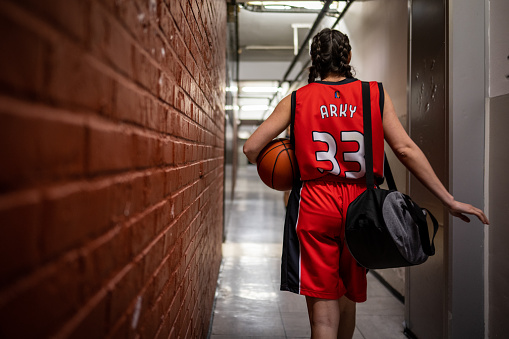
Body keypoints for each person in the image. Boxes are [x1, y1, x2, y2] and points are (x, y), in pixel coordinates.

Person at [243, 28, 489, 339]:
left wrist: (292, 160)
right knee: (348, 294)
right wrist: (448, 199)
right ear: (347, 58)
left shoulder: (297, 100)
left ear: (314, 60)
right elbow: (404, 149)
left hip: (315, 203)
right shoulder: (373, 94)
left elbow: (251, 148)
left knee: (323, 321)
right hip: (362, 208)